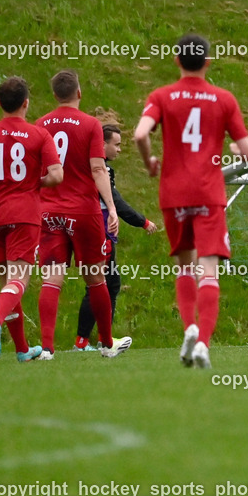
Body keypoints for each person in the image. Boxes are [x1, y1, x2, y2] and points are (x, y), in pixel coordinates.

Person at [134, 33, 248, 369]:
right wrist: (232, 149)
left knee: (184, 266)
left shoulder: (162, 95)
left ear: (177, 61)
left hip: (173, 194)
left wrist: (150, 163)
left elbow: (141, 133)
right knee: (209, 272)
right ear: (207, 62)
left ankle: (188, 326)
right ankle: (203, 342)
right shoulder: (223, 99)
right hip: (208, 194)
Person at [0, 77, 62, 362]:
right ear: (26, 103)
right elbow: (56, 175)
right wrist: (31, 183)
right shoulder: (39, 135)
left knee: (8, 281)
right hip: (24, 215)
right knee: (19, 280)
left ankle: (21, 350)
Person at [35, 70, 132, 360]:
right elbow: (98, 168)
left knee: (52, 280)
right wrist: (112, 209)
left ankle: (47, 348)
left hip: (50, 210)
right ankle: (106, 343)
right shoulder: (90, 124)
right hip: (83, 211)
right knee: (96, 279)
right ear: (79, 92)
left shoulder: (40, 125)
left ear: (54, 95)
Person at [73, 124, 160, 351]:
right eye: (117, 144)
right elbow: (116, 201)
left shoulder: (87, 165)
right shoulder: (100, 169)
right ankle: (103, 341)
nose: (119, 150)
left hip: (88, 225)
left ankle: (86, 341)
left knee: (100, 283)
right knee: (105, 284)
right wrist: (143, 221)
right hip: (100, 227)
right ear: (102, 144)